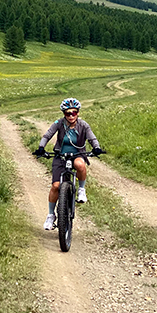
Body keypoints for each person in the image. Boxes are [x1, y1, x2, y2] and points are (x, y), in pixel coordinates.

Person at [34, 98, 103, 230]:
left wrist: (96, 147)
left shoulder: (83, 125)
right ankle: (50, 215)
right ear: (63, 114)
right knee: (55, 186)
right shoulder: (59, 123)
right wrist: (41, 147)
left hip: (77, 154)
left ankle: (81, 190)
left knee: (80, 165)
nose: (71, 116)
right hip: (60, 156)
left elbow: (91, 137)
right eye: (68, 113)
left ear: (78, 113)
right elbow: (47, 135)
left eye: (74, 113)